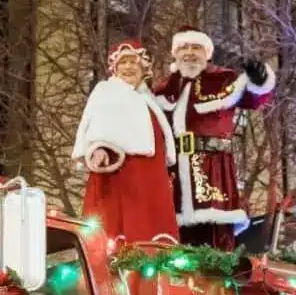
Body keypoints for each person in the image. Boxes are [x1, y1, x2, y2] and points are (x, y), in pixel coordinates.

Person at [154, 25, 277, 251]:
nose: (189, 52)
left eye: (196, 47)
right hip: (174, 178)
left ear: (208, 53)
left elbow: (255, 98)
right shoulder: (163, 89)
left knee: (215, 239)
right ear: (175, 53)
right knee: (174, 242)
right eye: (183, 47)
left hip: (214, 172)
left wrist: (260, 79)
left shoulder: (223, 80)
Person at [73, 39, 179, 245]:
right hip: (122, 174)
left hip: (150, 175)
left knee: (152, 227)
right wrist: (98, 147)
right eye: (123, 63)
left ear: (143, 67)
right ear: (114, 67)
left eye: (133, 62)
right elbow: (97, 120)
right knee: (122, 227)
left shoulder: (147, 98)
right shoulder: (107, 90)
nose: (129, 67)